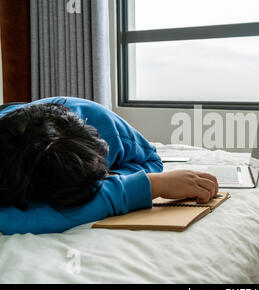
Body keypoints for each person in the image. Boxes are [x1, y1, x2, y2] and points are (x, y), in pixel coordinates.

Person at [0, 97, 218, 235]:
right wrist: (144, 187)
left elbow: (151, 160)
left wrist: (108, 181)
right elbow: (16, 220)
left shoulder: (99, 120)